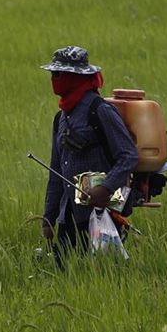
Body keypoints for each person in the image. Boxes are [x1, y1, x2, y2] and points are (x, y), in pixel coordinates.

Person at [39, 46, 139, 267]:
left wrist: (106, 187)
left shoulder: (99, 111)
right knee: (64, 275)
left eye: (59, 74)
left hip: (101, 214)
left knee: (107, 276)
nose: (55, 79)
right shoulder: (61, 118)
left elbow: (128, 155)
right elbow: (56, 172)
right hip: (69, 216)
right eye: (53, 74)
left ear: (76, 78)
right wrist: (49, 217)